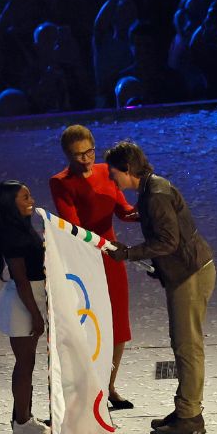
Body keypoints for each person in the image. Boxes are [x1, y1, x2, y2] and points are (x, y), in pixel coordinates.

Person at [104, 142, 215, 434]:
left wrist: (128, 254)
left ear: (127, 169)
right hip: (184, 271)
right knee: (183, 344)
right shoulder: (151, 190)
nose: (112, 179)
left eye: (114, 173)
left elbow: (169, 242)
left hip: (189, 274)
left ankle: (190, 415)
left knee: (187, 346)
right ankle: (185, 409)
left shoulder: (155, 195)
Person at [48, 125, 139, 411]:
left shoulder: (106, 171)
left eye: (89, 152)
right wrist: (99, 245)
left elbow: (123, 210)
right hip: (85, 258)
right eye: (78, 155)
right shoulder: (60, 181)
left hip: (111, 256)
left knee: (119, 326)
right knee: (90, 325)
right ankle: (90, 389)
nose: (85, 159)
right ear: (67, 155)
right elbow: (73, 225)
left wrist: (148, 211)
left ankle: (109, 386)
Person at [0, 181, 51, 434]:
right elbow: (22, 280)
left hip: (31, 298)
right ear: (10, 204)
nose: (31, 200)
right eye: (25, 197)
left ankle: (23, 416)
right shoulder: (12, 235)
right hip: (24, 302)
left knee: (27, 364)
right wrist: (36, 315)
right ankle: (22, 422)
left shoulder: (21, 228)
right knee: (25, 364)